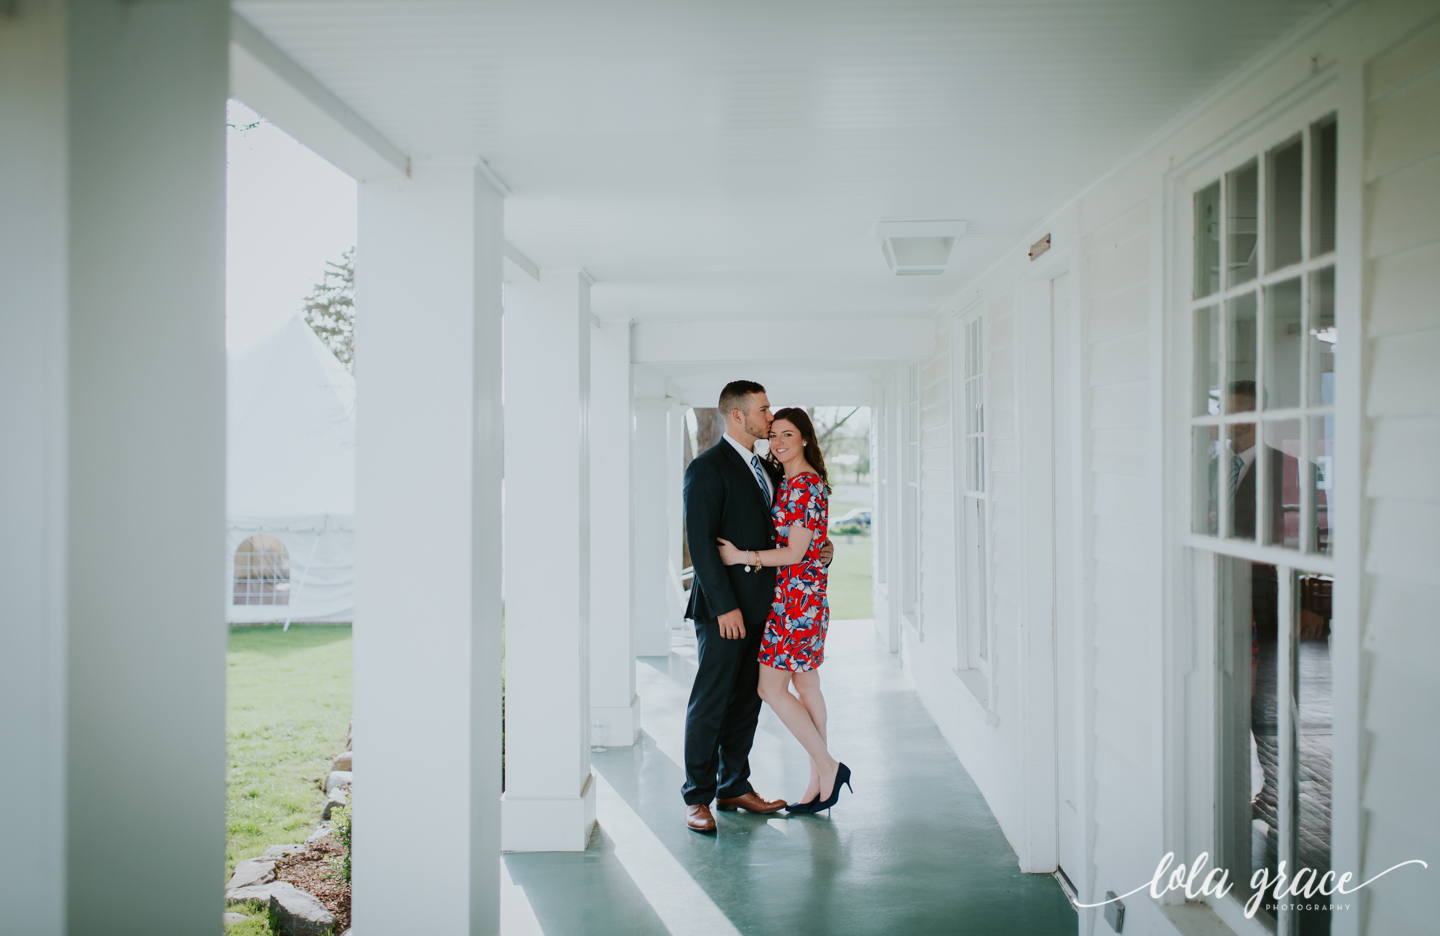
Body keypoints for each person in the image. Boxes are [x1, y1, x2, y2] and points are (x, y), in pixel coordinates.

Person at [681, 381, 832, 833]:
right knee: (711, 701)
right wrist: (724, 606)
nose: (770, 418)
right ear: (737, 416)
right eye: (763, 410)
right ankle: (697, 797)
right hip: (724, 610)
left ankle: (734, 786)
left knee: (748, 701)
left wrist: (820, 551)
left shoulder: (769, 466)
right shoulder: (708, 468)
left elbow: (790, 534)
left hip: (768, 609)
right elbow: (702, 544)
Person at [717, 408, 850, 814]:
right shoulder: (790, 482)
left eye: (787, 434)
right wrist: (821, 552)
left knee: (769, 689)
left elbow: (794, 551)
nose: (777, 442)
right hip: (802, 597)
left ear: (806, 438)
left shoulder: (804, 486)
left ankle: (829, 767)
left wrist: (742, 555)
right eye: (773, 434)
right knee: (807, 688)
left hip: (796, 602)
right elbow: (811, 545)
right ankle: (818, 780)